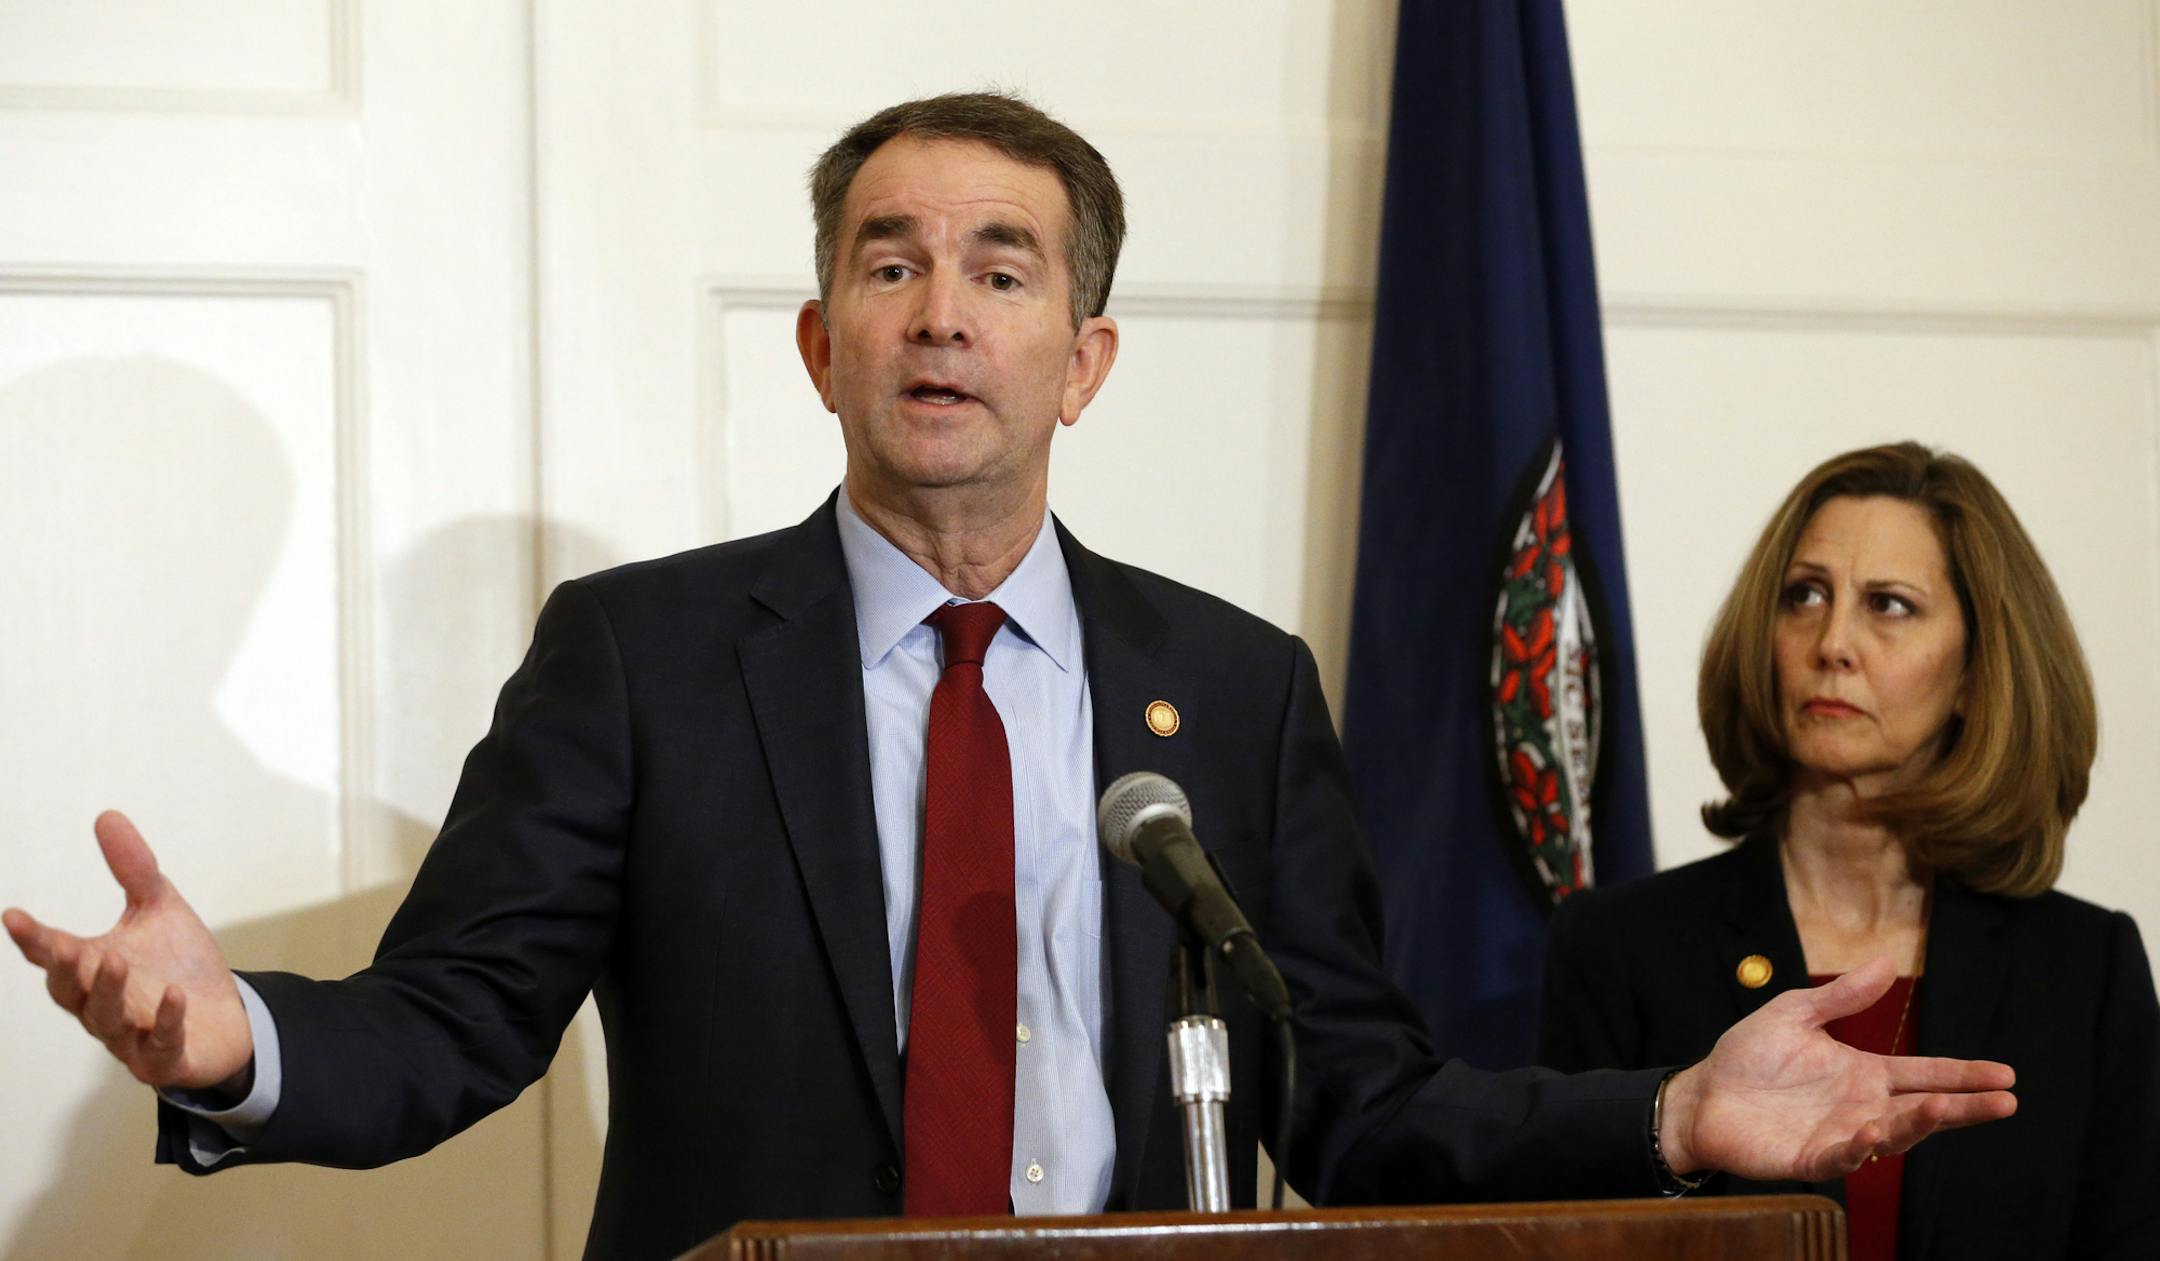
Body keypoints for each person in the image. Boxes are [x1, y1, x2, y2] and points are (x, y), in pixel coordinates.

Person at [8, 97, 2015, 1261]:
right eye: (888, 265)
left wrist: (1673, 1109)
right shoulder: (649, 662)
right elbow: (455, 1023)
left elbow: (1374, 1107)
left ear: (1089, 350)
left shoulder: (1228, 692)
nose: (941, 312)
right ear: (819, 343)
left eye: (1001, 266)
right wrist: (236, 1045)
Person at [1538, 442, 2159, 1260]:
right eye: (1804, 595)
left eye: (1890, 605)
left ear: (1978, 670)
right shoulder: (1620, 948)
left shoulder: (2085, 968)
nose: (1832, 642)